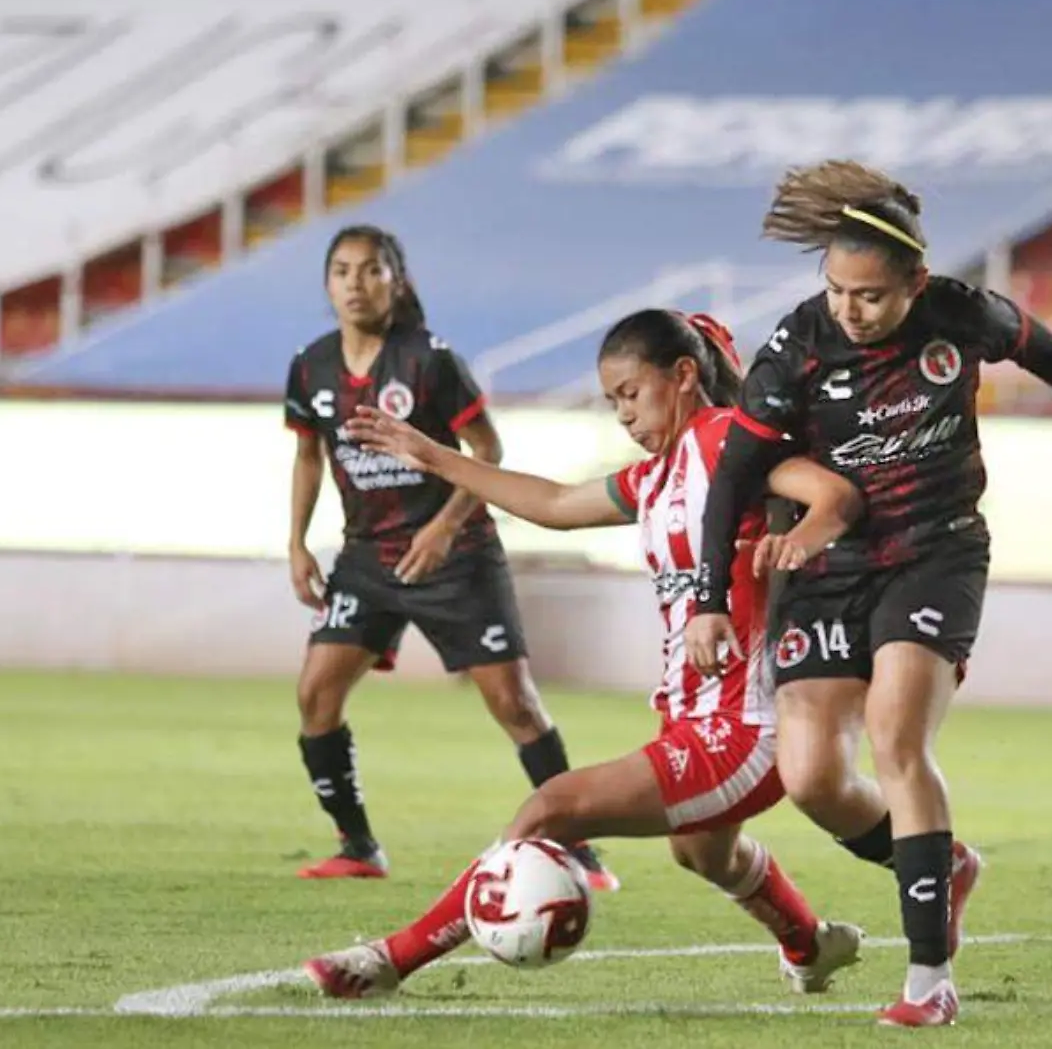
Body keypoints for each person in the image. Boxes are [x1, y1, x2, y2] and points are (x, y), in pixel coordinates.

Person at [684, 160, 1052, 1027]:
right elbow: (736, 472)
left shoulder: (963, 313)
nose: (851, 309)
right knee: (809, 777)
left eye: (872, 295)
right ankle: (942, 866)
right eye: (839, 290)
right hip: (827, 566)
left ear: (915, 284)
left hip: (935, 552)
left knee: (895, 736)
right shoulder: (797, 345)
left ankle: (929, 980)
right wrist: (708, 598)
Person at [302, 308, 868, 999]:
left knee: (550, 808)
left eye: (631, 393)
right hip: (692, 716)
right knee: (703, 852)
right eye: (612, 402)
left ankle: (390, 960)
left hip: (745, 726)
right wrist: (433, 455)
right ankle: (809, 945)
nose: (623, 414)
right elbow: (556, 501)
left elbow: (832, 495)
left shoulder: (722, 439)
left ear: (685, 375)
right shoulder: (657, 477)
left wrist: (802, 539)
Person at [284, 224, 610, 888]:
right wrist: (295, 541)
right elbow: (308, 454)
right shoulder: (310, 366)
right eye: (342, 271)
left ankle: (579, 848)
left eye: (370, 270)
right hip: (368, 560)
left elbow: (488, 451)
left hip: (457, 555)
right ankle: (357, 846)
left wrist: (440, 528)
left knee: (515, 704)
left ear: (396, 281)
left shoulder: (430, 359)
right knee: (316, 693)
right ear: (327, 283)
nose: (355, 283)